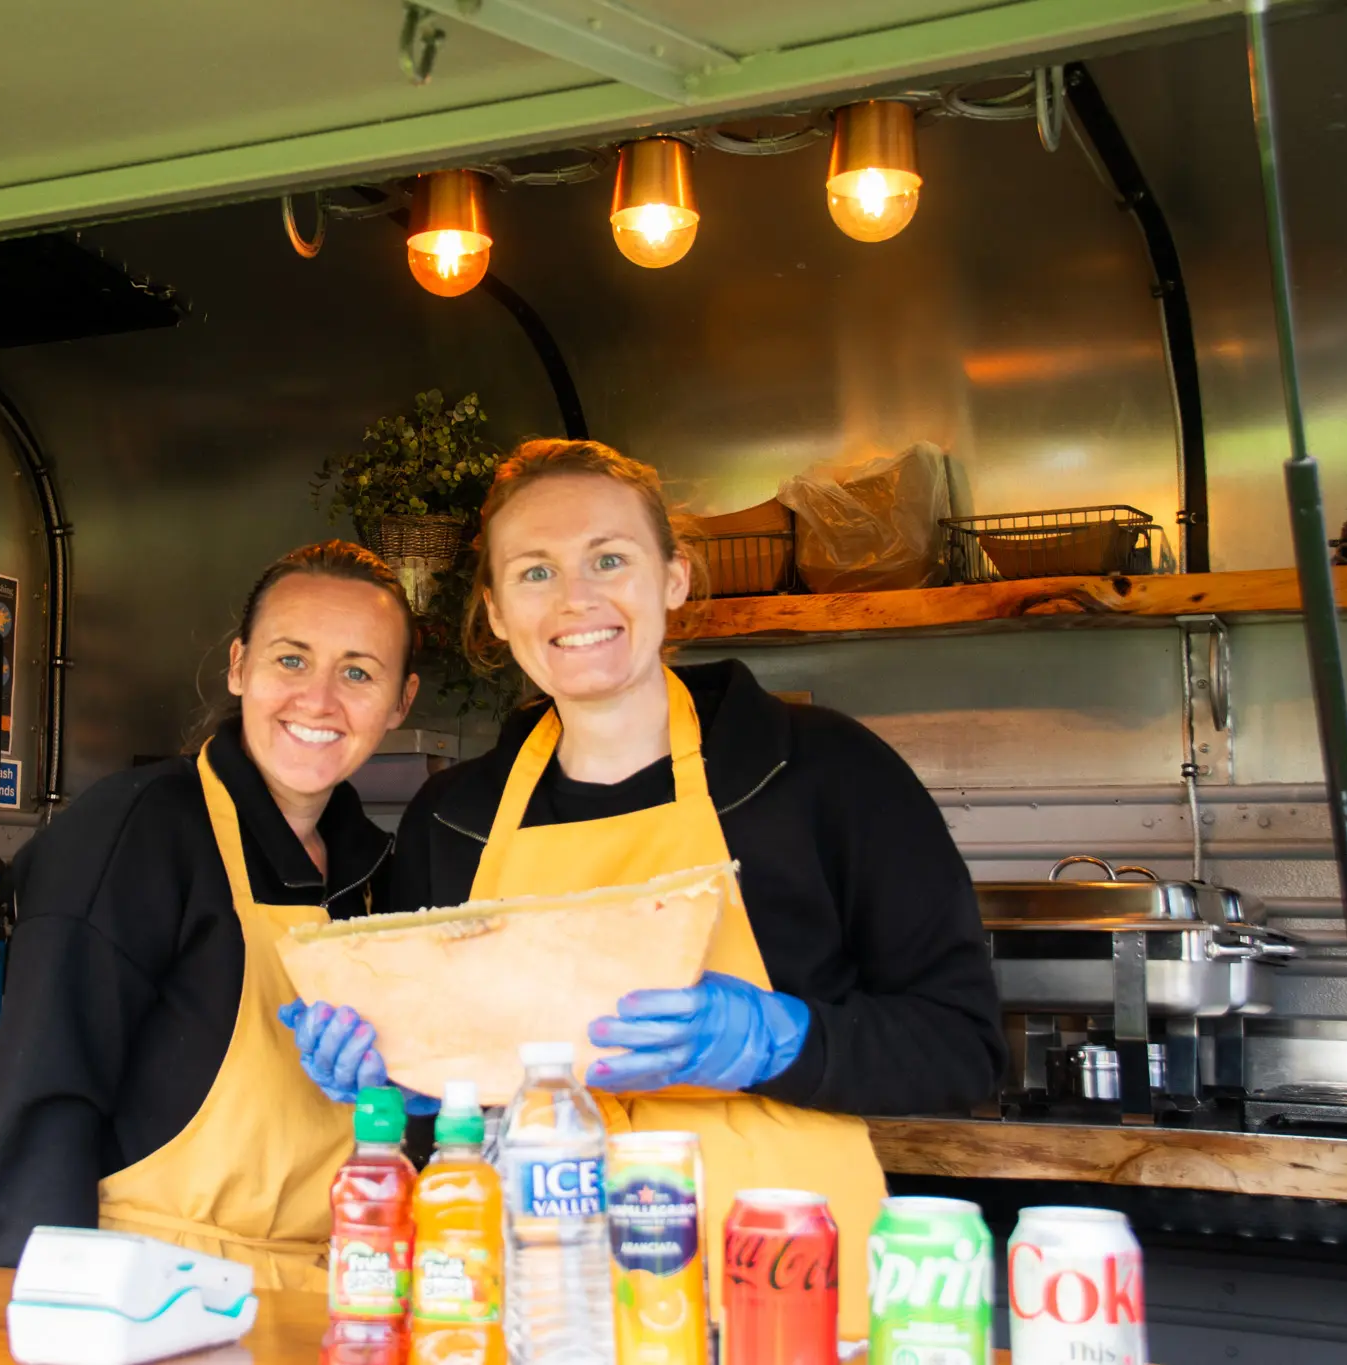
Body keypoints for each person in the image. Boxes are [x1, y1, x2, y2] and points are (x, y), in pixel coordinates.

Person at [287, 441, 1003, 1339]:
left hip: (779, 1298)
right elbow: (438, 1112)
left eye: (610, 559)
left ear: (673, 579)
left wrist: (774, 1040)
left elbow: (961, 1045)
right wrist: (402, 1077)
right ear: (497, 612)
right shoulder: (452, 818)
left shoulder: (821, 771)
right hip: (536, 1306)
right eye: (535, 570)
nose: (576, 598)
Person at [0, 541, 420, 1285]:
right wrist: (31, 1324)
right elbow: (48, 1102)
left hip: (335, 1301)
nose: (319, 700)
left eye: (359, 672)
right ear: (240, 666)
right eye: (291, 659)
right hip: (152, 1300)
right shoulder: (141, 830)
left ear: (400, 701)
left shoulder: (376, 877)